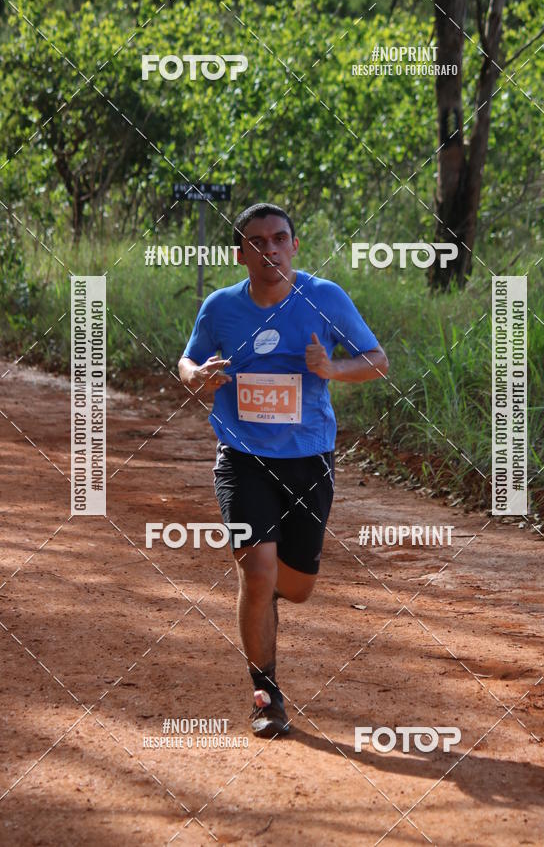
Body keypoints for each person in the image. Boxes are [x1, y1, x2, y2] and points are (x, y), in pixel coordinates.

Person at [178, 203, 389, 738]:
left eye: (278, 239)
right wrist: (199, 375)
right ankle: (265, 696)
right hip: (242, 458)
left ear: (294, 245)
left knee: (295, 587)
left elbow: (377, 359)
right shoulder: (220, 306)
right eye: (256, 241)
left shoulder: (325, 297)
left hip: (308, 459)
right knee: (257, 571)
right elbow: (187, 362)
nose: (268, 249)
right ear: (240, 252)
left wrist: (332, 368)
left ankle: (271, 589)